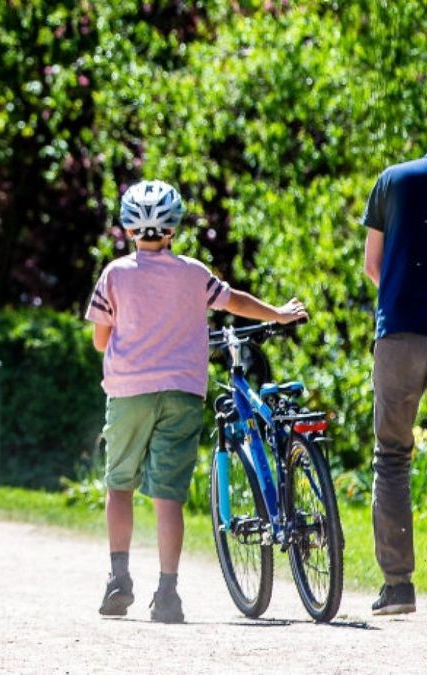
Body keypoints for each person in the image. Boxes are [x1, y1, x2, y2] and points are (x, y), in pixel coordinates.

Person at [84, 180, 307, 623]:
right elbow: (234, 301)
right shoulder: (192, 272)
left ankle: (118, 579)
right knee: (168, 498)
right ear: (173, 229)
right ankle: (167, 594)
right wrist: (278, 312)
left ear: (129, 229)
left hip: (128, 392)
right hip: (183, 391)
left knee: (120, 486)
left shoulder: (114, 275)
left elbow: (99, 339)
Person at [362, 98, 427, 621]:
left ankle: (397, 586)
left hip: (398, 334)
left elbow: (373, 265)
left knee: (391, 456)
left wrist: (402, 299)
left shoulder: (394, 179)